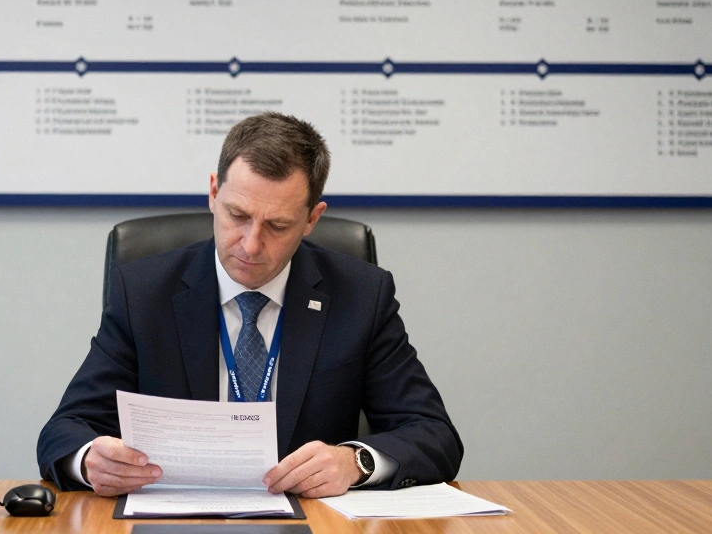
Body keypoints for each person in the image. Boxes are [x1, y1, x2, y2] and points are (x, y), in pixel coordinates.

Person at [37, 112, 462, 498]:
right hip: (172, 519)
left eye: (277, 225)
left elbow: (435, 434)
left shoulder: (361, 296)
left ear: (312, 219)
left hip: (309, 520)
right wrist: (90, 458)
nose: (251, 244)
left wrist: (354, 462)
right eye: (237, 215)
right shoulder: (145, 293)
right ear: (212, 193)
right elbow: (63, 430)